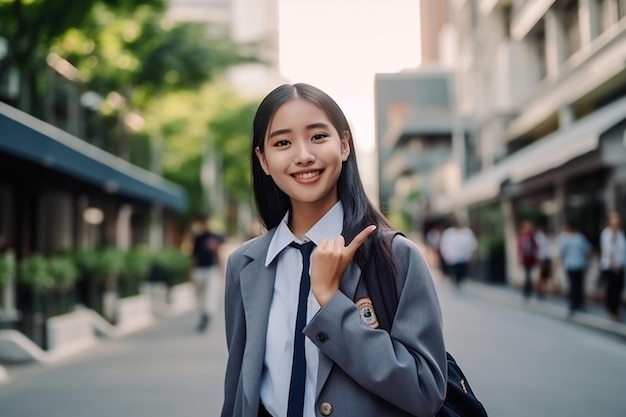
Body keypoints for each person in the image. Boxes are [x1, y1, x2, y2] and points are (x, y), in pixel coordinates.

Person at [221, 83, 446, 417]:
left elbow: (425, 391)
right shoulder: (245, 265)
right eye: (282, 142)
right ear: (263, 160)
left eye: (317, 137)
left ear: (344, 145)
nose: (303, 155)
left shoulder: (397, 256)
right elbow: (239, 389)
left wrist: (331, 300)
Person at [189, 213, 224, 332]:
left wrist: (221, 269)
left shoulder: (215, 237)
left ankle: (207, 314)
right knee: (201, 295)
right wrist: (190, 272)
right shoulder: (197, 238)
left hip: (211, 269)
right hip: (199, 269)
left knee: (210, 293)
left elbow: (219, 253)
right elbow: (193, 256)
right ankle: (204, 313)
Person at [558, 218, 592, 317]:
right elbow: (561, 252)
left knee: (579, 285)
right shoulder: (564, 237)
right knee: (573, 286)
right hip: (570, 265)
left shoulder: (579, 237)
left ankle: (580, 303)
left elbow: (587, 250)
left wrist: (588, 260)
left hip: (580, 264)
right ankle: (573, 305)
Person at [599, 211, 625, 322]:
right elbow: (608, 250)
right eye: (614, 219)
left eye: (617, 218)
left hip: (621, 265)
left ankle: (615, 310)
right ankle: (612, 311)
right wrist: (614, 265)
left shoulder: (621, 233)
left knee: (619, 288)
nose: (616, 221)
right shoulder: (607, 233)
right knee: (612, 290)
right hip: (610, 267)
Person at [439, 217, 477, 286]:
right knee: (455, 270)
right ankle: (456, 281)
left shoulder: (467, 232)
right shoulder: (449, 233)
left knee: (462, 271)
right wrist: (445, 253)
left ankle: (459, 280)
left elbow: (472, 243)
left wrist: (472, 253)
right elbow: (444, 244)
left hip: (464, 257)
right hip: (453, 257)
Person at [516, 220, 538, 299]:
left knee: (529, 275)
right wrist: (519, 258)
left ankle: (529, 290)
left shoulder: (532, 236)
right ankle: (526, 291)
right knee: (527, 275)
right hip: (525, 259)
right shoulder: (522, 236)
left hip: (530, 259)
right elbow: (519, 248)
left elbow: (535, 246)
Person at [534, 221, 552, 298]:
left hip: (547, 257)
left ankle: (543, 290)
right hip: (541, 258)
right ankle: (539, 290)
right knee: (541, 275)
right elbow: (536, 248)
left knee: (546, 276)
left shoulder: (547, 236)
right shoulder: (538, 236)